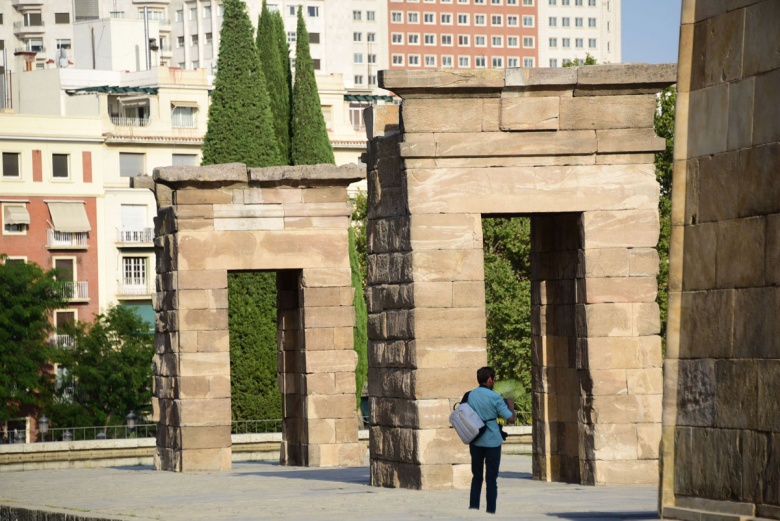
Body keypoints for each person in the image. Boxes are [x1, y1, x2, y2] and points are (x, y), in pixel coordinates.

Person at [467, 366, 515, 514]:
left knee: (476, 477)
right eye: (494, 379)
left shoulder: (471, 395)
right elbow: (511, 419)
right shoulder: (495, 397)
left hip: (475, 439)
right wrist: (511, 405)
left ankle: (474, 508)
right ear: (489, 379)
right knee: (491, 479)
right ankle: (490, 511)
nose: (494, 382)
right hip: (492, 440)